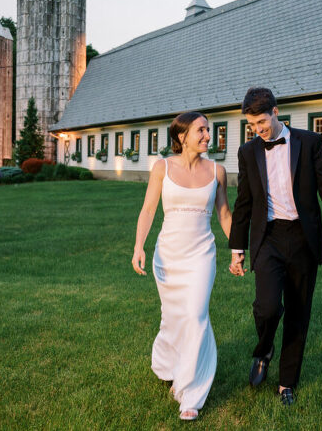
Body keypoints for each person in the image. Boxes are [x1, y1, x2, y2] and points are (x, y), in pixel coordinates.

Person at [228, 87, 322, 406]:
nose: (258, 130)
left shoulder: (309, 142)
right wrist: (237, 248)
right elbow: (243, 202)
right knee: (267, 307)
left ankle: (287, 383)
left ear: (276, 112)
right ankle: (264, 350)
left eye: (262, 122)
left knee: (298, 311)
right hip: (268, 237)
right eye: (252, 125)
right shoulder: (247, 152)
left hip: (302, 237)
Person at [131, 111, 232, 421]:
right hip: (168, 256)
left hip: (201, 255)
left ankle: (190, 393)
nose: (207, 135)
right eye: (201, 130)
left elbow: (224, 214)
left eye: (208, 130)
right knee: (174, 317)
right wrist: (139, 246)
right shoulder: (161, 168)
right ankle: (171, 366)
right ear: (181, 136)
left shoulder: (217, 171)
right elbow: (149, 209)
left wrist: (238, 248)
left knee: (196, 315)